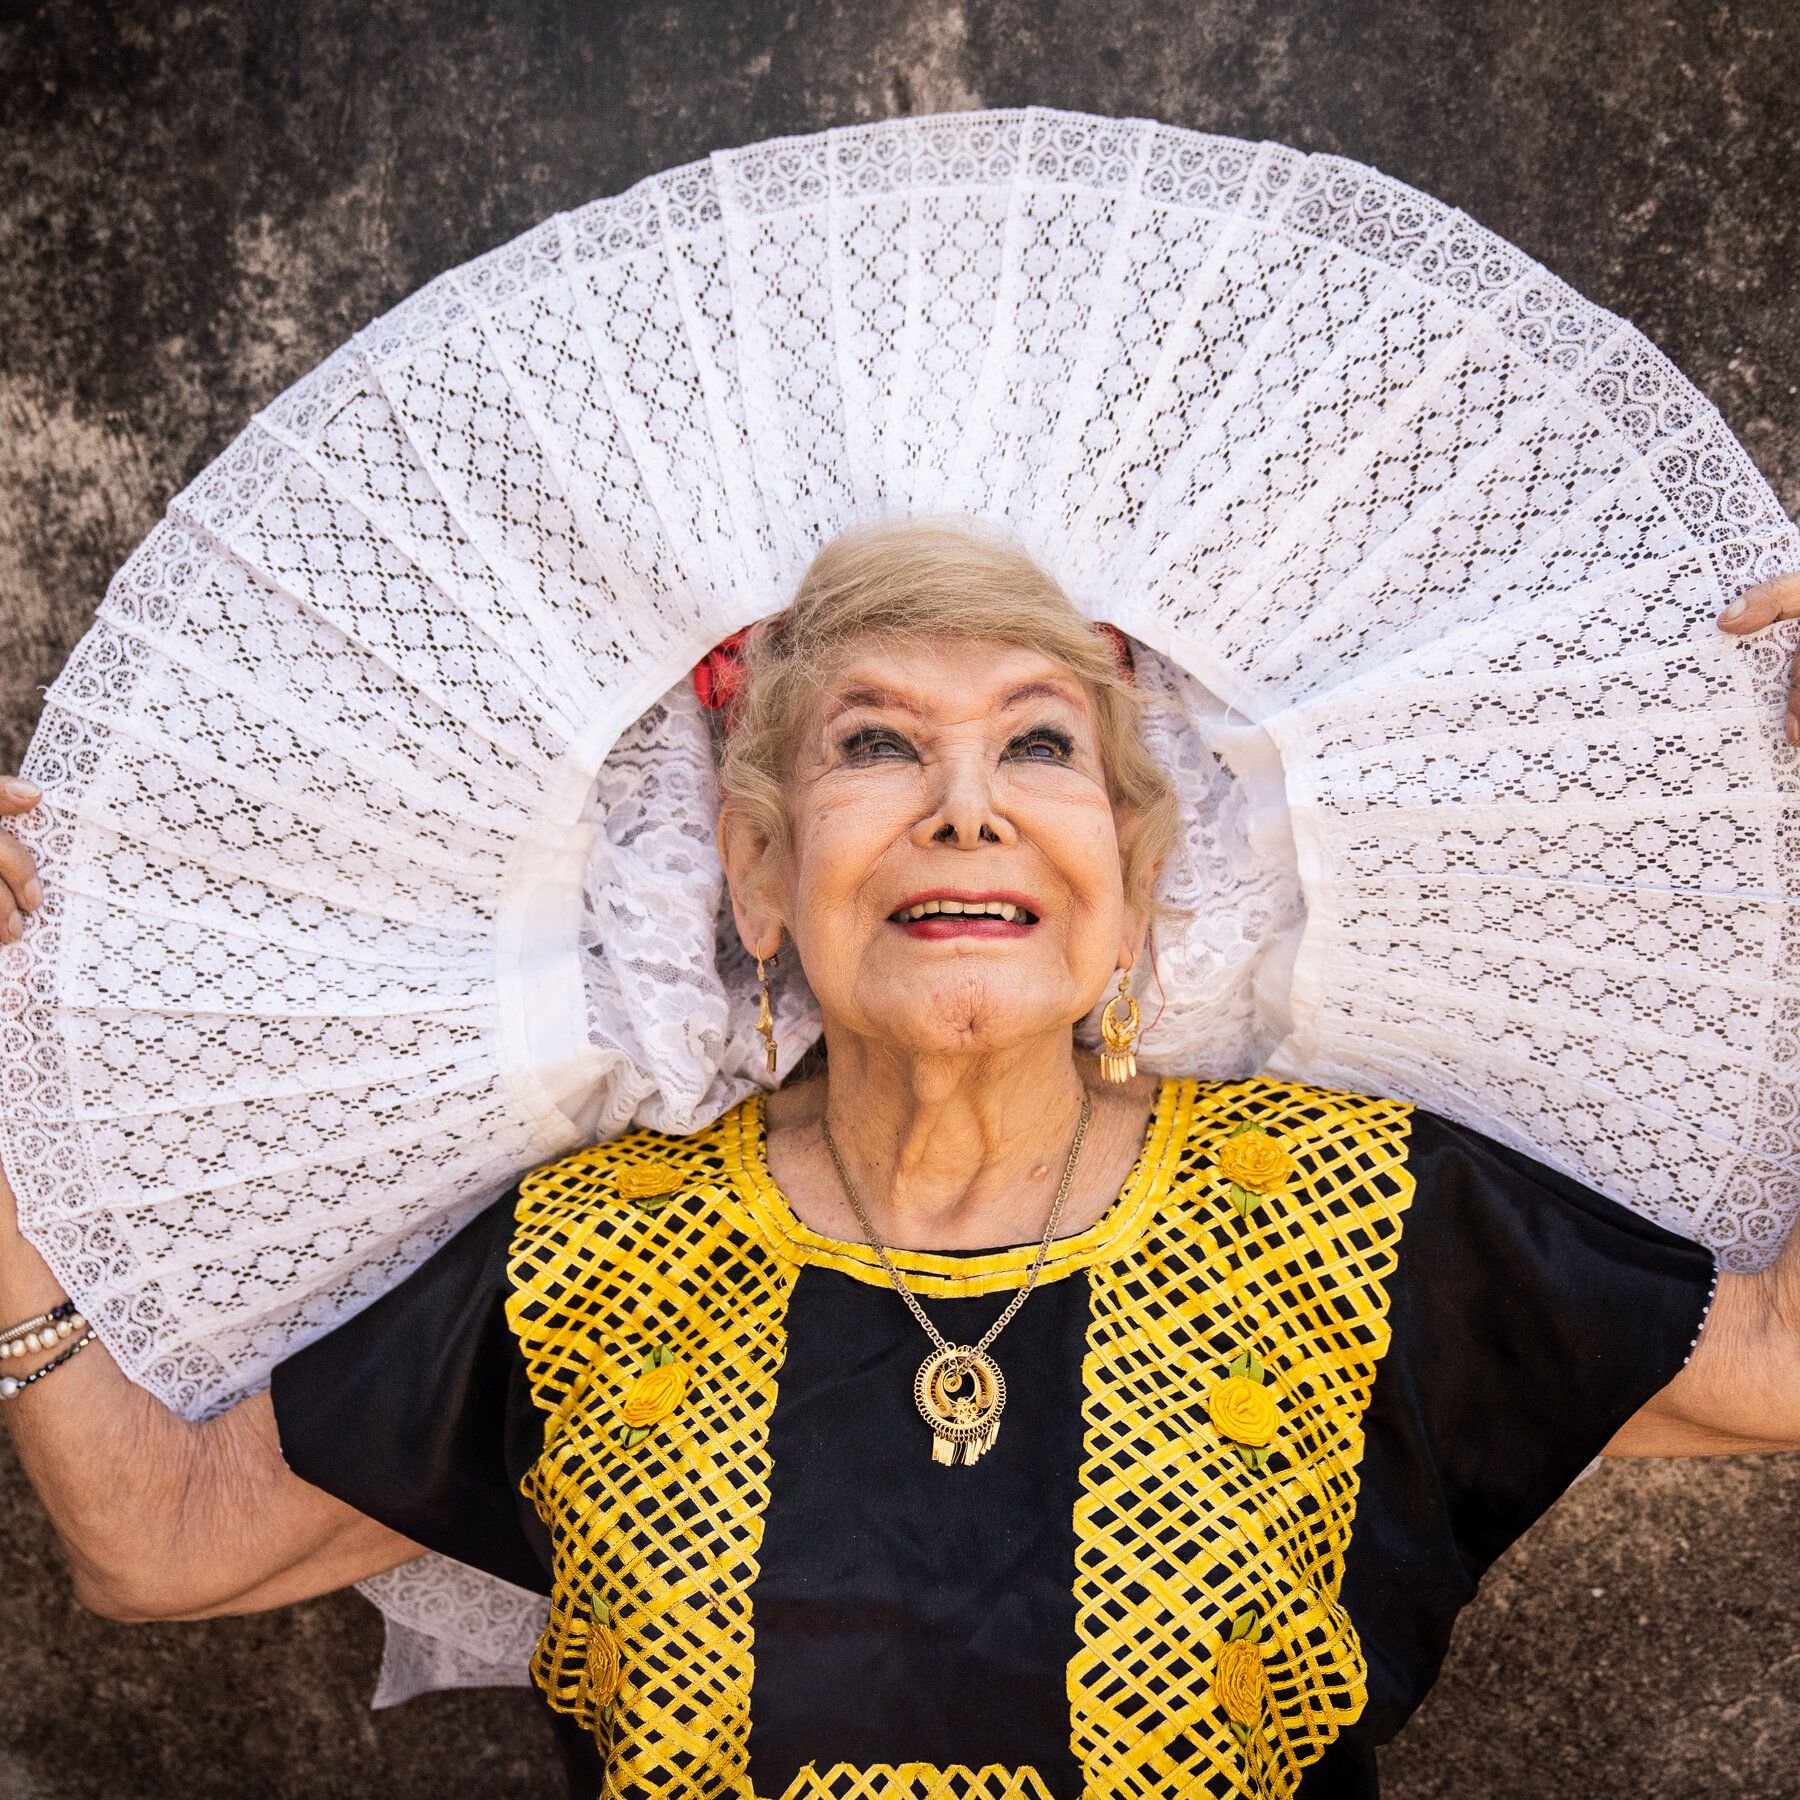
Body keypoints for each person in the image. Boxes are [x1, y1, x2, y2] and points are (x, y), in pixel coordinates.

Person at [0, 520, 1798, 1800]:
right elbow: (159, 1540)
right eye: (878, 744)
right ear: (761, 876)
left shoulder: (1361, 1215)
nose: (968, 801)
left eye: (1039, 741)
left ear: (1136, 885)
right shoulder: (595, 1255)